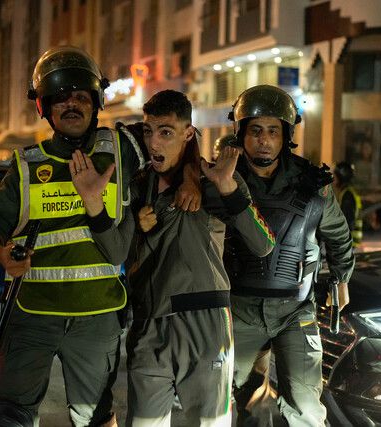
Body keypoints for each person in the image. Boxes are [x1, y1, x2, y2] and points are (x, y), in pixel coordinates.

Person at [0, 46, 199, 427]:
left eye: (81, 96)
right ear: (44, 107)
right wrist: (2, 254)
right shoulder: (26, 166)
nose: (72, 104)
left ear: (96, 102)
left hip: (97, 320)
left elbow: (180, 140)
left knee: (95, 417)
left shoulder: (123, 147)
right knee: (10, 413)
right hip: (33, 316)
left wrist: (192, 177)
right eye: (61, 97)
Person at [71, 89, 275, 426]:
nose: (154, 142)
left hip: (205, 323)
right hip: (148, 325)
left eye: (166, 132)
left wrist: (225, 186)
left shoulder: (215, 180)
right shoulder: (136, 187)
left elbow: (263, 244)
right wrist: (96, 205)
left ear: (188, 134)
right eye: (148, 130)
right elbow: (115, 252)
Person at [224, 85, 355, 426]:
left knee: (306, 407)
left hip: (296, 310)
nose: (264, 140)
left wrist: (342, 279)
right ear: (241, 133)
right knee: (245, 402)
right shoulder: (223, 180)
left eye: (273, 131)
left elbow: (338, 235)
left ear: (286, 136)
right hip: (239, 309)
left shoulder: (313, 184)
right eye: (255, 130)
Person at [333, 161, 363, 247]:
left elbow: (347, 221)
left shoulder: (347, 195)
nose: (333, 178)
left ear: (341, 177)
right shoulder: (347, 193)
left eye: (335, 176)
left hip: (349, 244)